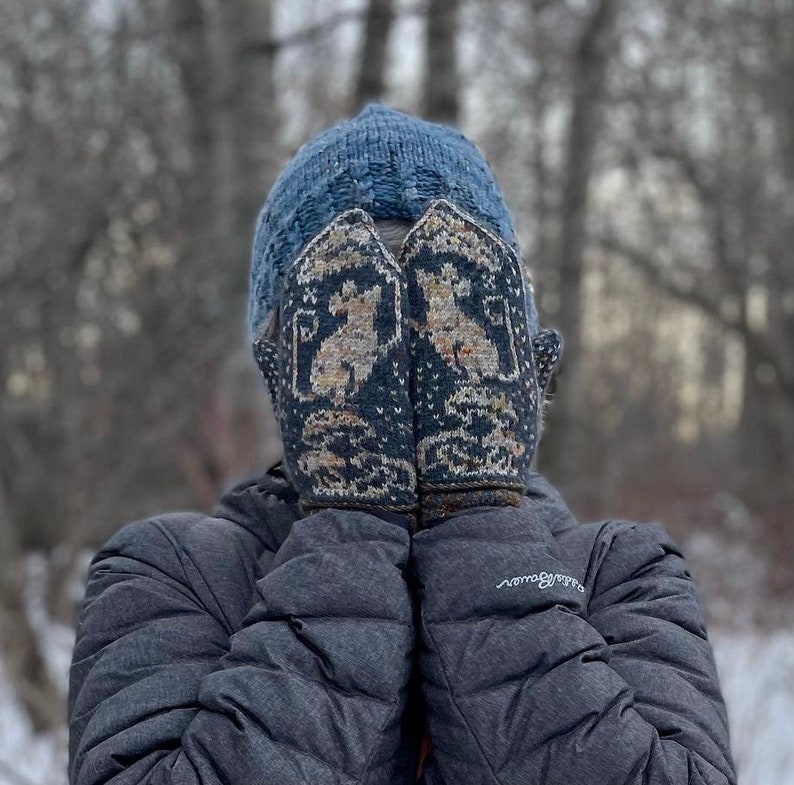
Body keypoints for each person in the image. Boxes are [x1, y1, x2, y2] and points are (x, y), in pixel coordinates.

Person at [67, 105, 736, 785]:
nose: (407, 352)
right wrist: (349, 522)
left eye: (451, 302)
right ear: (286, 364)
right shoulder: (170, 571)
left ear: (518, 357)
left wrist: (477, 508)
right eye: (355, 304)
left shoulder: (624, 571)